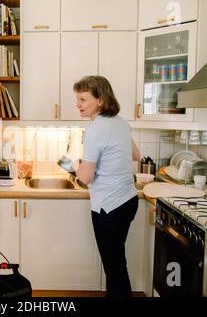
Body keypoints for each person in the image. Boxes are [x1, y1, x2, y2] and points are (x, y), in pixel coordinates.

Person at [73, 76, 141, 297]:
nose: (78, 105)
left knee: (114, 267)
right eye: (78, 99)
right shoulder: (121, 122)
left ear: (100, 100)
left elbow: (85, 177)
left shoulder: (95, 129)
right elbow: (136, 155)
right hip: (128, 201)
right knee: (117, 263)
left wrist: (75, 165)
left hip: (108, 208)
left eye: (83, 99)